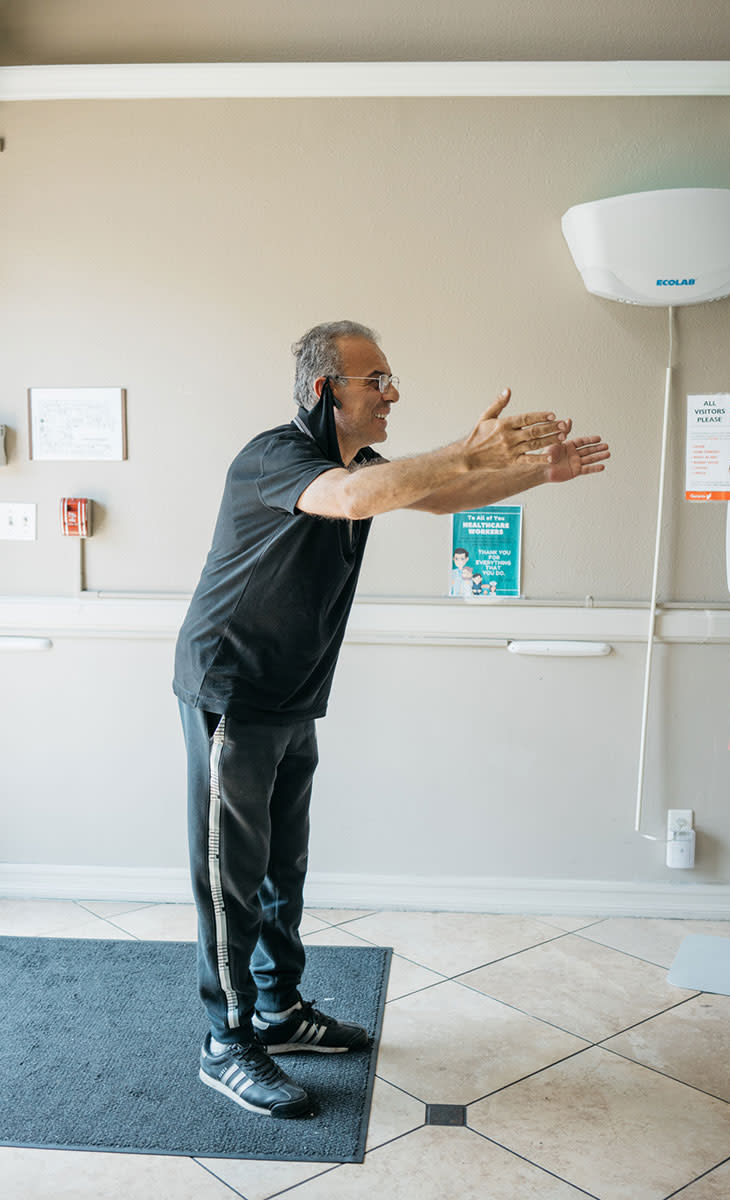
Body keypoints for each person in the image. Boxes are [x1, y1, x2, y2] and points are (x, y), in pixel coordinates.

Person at [172, 319, 610, 1119]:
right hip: (232, 688)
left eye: (388, 378)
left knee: (282, 870)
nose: (391, 393)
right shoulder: (276, 459)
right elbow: (351, 499)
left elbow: (440, 493)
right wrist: (467, 447)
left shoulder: (363, 463)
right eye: (375, 380)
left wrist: (537, 474)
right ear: (322, 391)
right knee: (228, 876)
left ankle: (279, 1009)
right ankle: (226, 1041)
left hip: (293, 694)